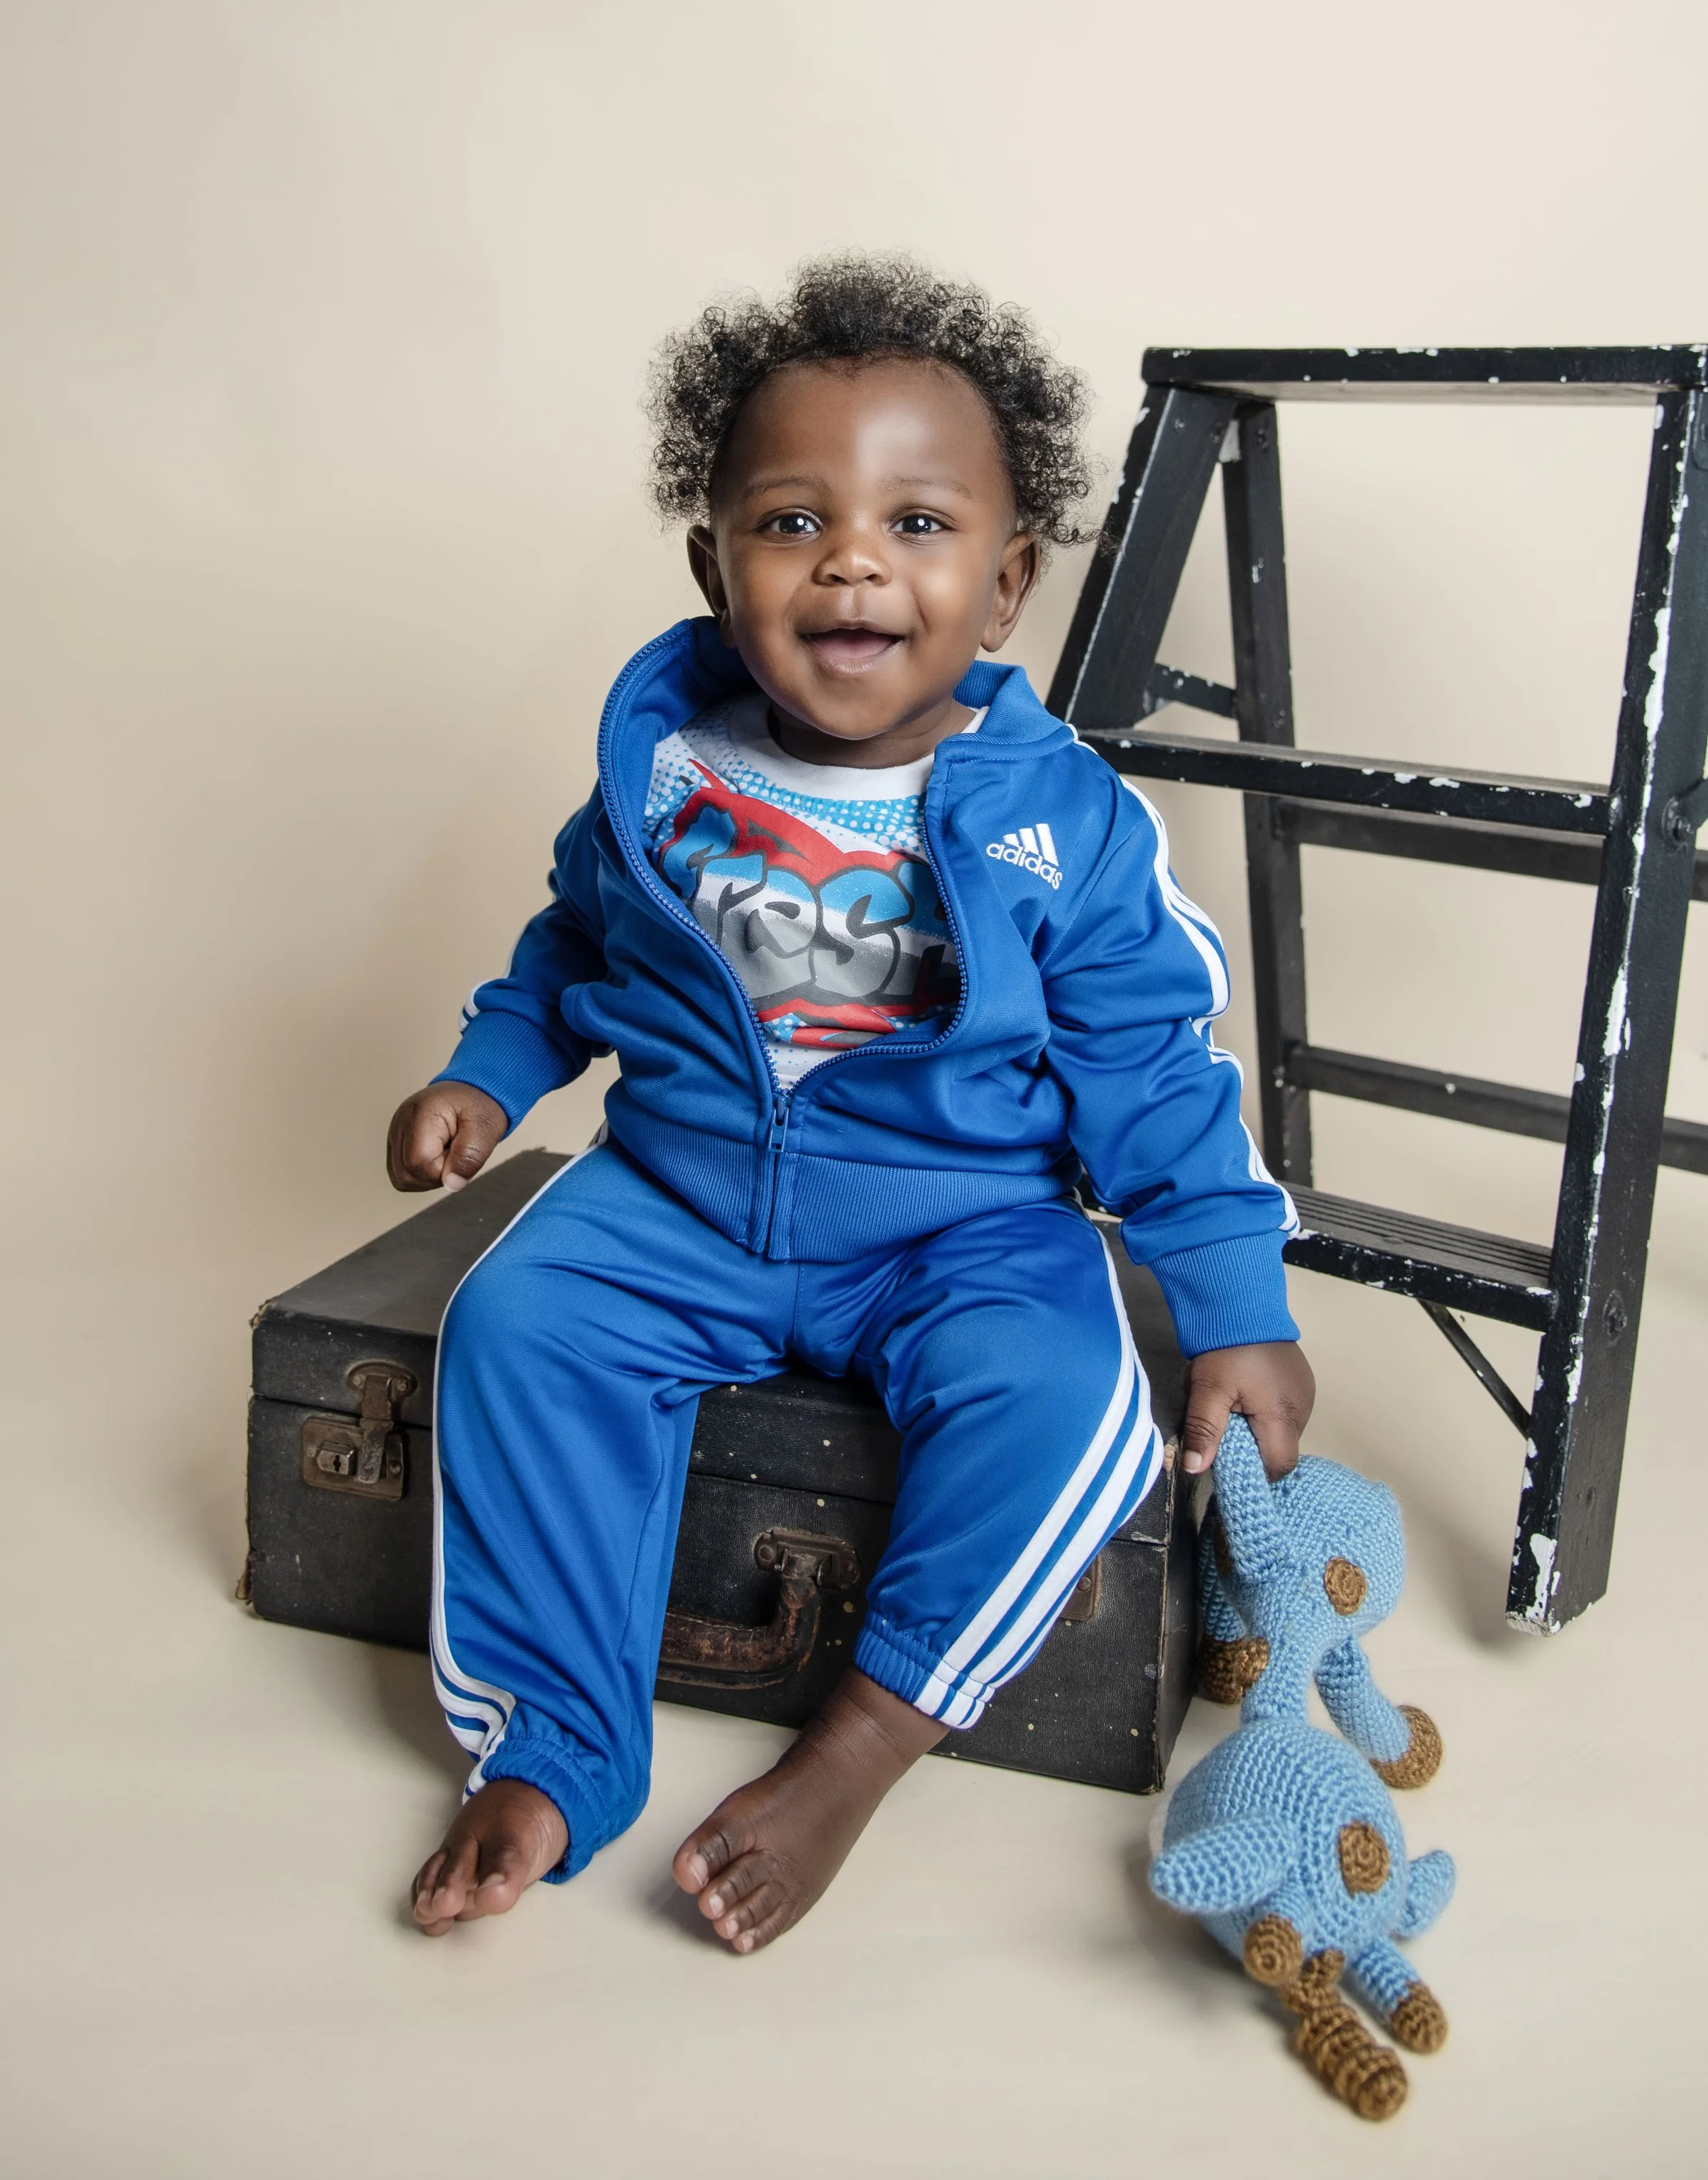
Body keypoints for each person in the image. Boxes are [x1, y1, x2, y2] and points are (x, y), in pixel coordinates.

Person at [388, 256, 1315, 1953]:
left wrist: (1235, 1304)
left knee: (1066, 1400)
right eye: (793, 520)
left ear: (1004, 582)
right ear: (714, 565)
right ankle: (552, 1750)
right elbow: (571, 942)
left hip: (956, 1224)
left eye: (917, 523)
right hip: (677, 1201)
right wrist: (486, 1073)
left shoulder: (1062, 821)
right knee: (516, 1321)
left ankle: (863, 1741)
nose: (852, 561)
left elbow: (1150, 1072)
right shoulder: (665, 773)